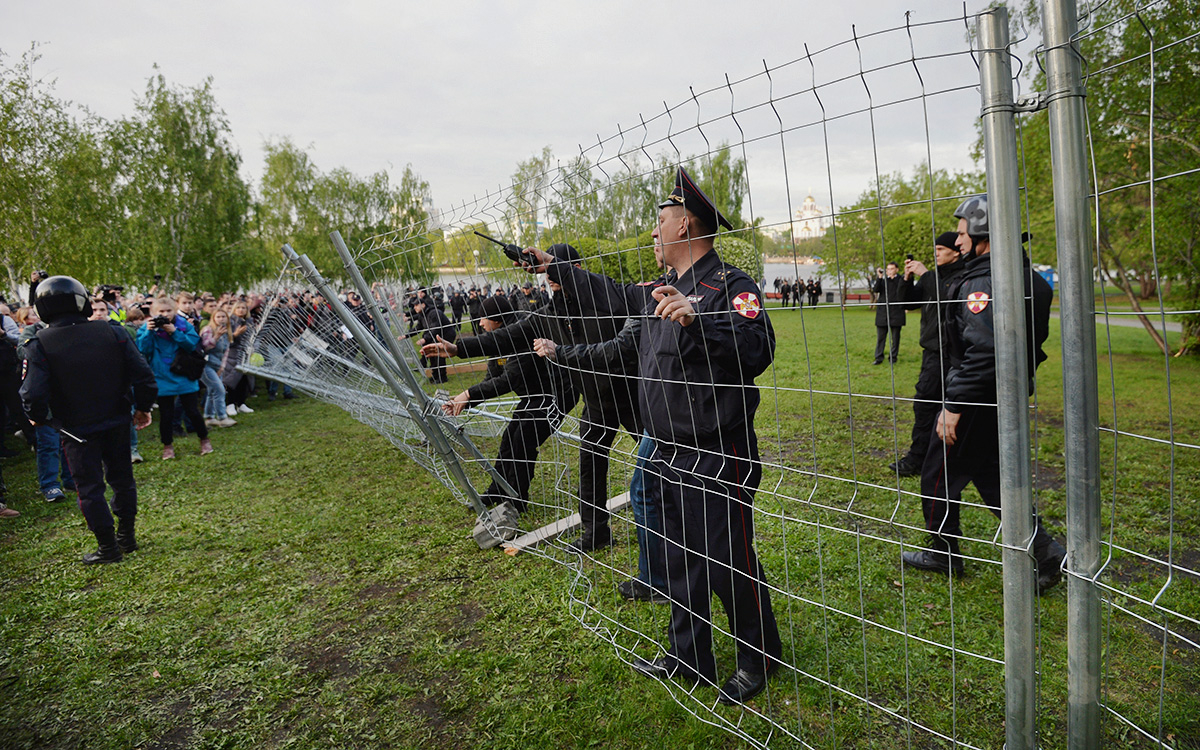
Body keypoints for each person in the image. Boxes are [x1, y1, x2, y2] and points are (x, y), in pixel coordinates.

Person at [529, 166, 781, 704]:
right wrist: (558, 268)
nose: (652, 232)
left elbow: (757, 351)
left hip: (716, 449)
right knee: (676, 556)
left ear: (686, 225)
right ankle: (688, 655)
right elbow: (611, 296)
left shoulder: (730, 286)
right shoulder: (655, 292)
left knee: (725, 556)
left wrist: (698, 321)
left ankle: (759, 656)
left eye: (659, 221)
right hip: (663, 446)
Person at [902, 195, 1066, 593]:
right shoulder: (1027, 276)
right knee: (992, 476)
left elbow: (984, 350)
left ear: (983, 234)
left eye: (961, 233)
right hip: (1001, 394)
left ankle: (944, 551)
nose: (957, 242)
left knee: (937, 471)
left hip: (976, 396)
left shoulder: (984, 280)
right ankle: (1045, 551)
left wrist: (954, 405)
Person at [19, 276, 157, 562]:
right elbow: (143, 375)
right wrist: (143, 408)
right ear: (81, 300)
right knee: (122, 480)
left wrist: (39, 418)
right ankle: (126, 537)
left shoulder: (39, 343)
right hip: (115, 420)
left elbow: (32, 393)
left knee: (90, 488)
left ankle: (109, 546)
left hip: (75, 430)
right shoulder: (113, 332)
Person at [441, 296, 565, 512]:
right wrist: (464, 401)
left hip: (553, 396)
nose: (479, 323)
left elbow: (509, 380)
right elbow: (491, 379)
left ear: (496, 320)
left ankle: (517, 500)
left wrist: (468, 394)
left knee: (523, 440)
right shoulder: (498, 342)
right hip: (532, 397)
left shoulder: (520, 337)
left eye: (483, 318)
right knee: (509, 439)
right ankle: (498, 489)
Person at [888, 232, 967, 477]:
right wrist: (907, 279)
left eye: (941, 249)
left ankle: (923, 458)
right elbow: (907, 303)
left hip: (953, 353)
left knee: (936, 405)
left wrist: (925, 273)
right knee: (926, 405)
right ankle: (923, 456)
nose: (936, 254)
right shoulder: (935, 278)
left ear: (956, 251)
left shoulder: (961, 276)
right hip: (932, 352)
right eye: (936, 249)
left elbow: (948, 297)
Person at [136, 297, 212, 459]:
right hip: (162, 376)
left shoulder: (184, 326)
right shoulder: (147, 328)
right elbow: (144, 350)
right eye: (161, 312)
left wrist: (174, 332)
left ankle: (204, 439)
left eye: (168, 311)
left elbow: (192, 345)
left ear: (174, 310)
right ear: (153, 313)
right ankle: (167, 446)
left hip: (184, 373)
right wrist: (149, 332)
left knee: (192, 411)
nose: (165, 314)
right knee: (166, 415)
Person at [200, 310, 236, 427]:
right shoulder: (208, 330)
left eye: (223, 317)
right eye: (218, 317)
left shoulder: (227, 332)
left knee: (212, 391)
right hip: (206, 365)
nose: (221, 319)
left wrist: (222, 367)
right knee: (220, 390)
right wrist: (216, 337)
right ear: (213, 318)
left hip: (217, 365)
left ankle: (209, 417)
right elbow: (205, 347)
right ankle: (222, 417)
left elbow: (226, 352)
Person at [872, 261, 911, 364]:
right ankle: (878, 358)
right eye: (888, 269)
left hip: (897, 312)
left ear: (897, 270)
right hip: (883, 313)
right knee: (881, 338)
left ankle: (893, 358)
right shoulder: (883, 281)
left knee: (895, 338)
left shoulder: (901, 280)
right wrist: (879, 277)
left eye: (892, 269)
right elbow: (876, 289)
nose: (889, 271)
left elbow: (906, 290)